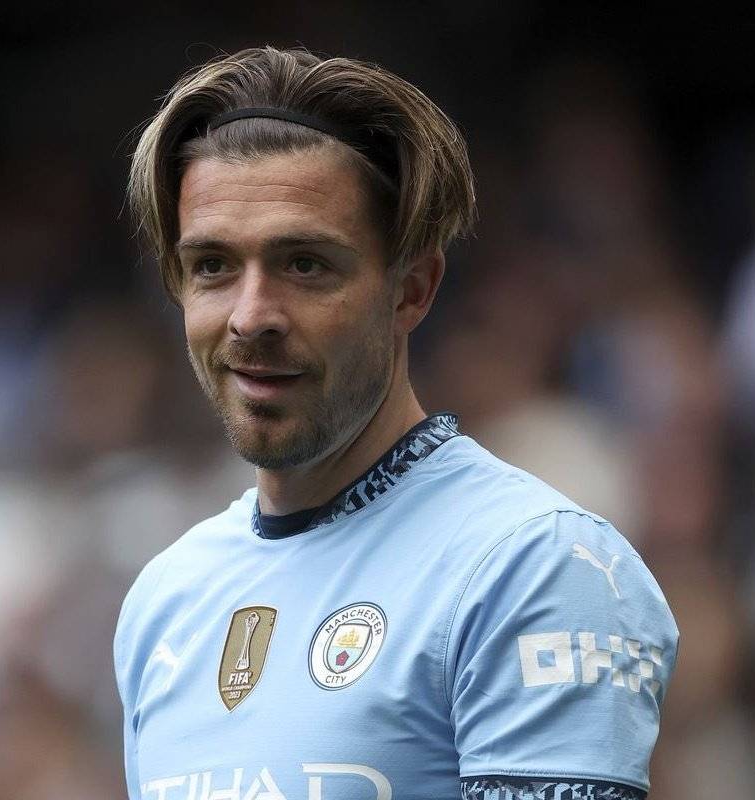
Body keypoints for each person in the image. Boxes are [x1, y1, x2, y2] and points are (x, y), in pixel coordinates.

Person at [115, 46, 678, 800]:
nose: (250, 316)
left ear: (412, 290)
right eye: (212, 265)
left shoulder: (534, 566)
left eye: (305, 264)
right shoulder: (165, 600)